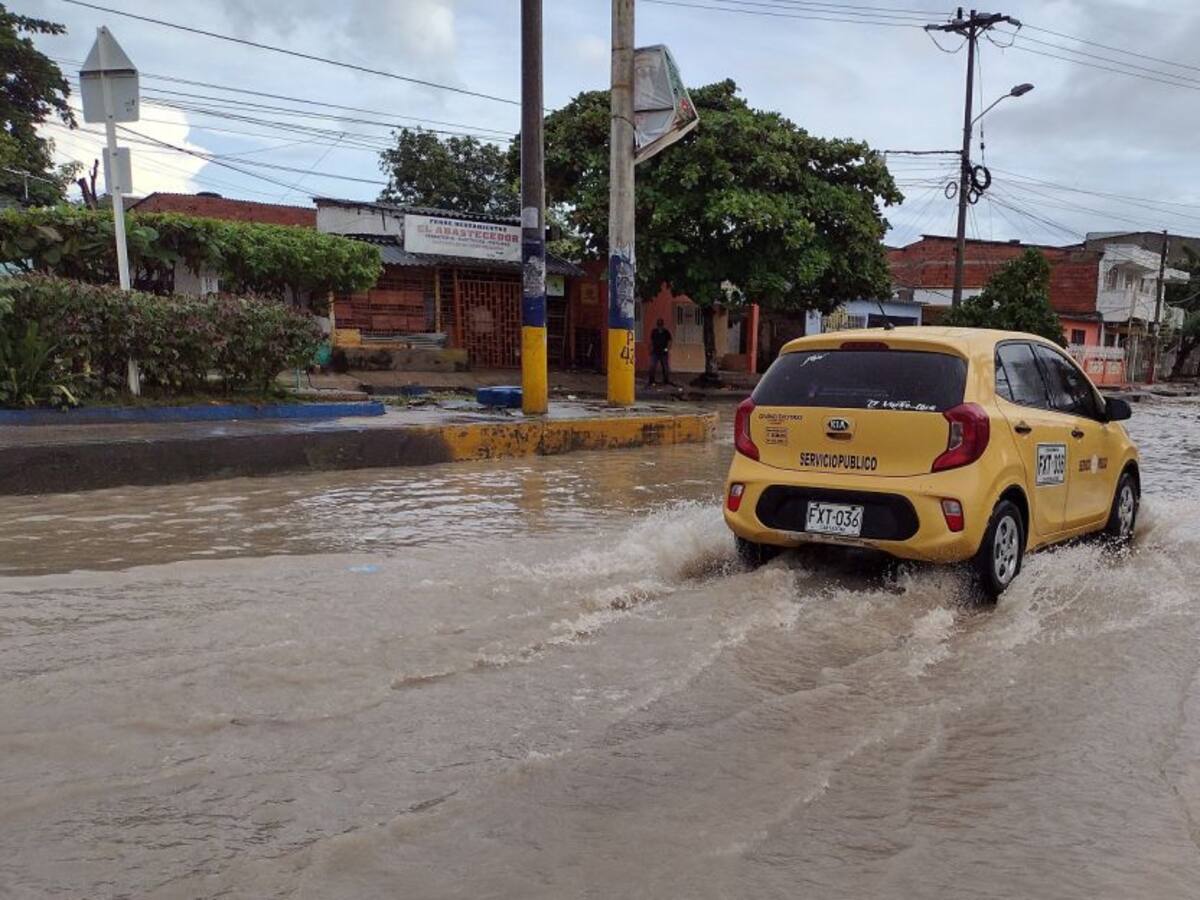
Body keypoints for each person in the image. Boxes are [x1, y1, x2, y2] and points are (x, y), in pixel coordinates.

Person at [647, 317, 674, 387]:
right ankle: (651, 380)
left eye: (660, 325)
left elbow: (670, 341)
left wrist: (667, 349)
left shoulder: (666, 332)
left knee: (665, 367)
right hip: (655, 352)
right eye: (658, 325)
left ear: (662, 325)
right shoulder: (654, 331)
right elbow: (651, 341)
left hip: (663, 352)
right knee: (652, 366)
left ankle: (666, 380)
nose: (659, 327)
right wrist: (650, 349)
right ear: (657, 325)